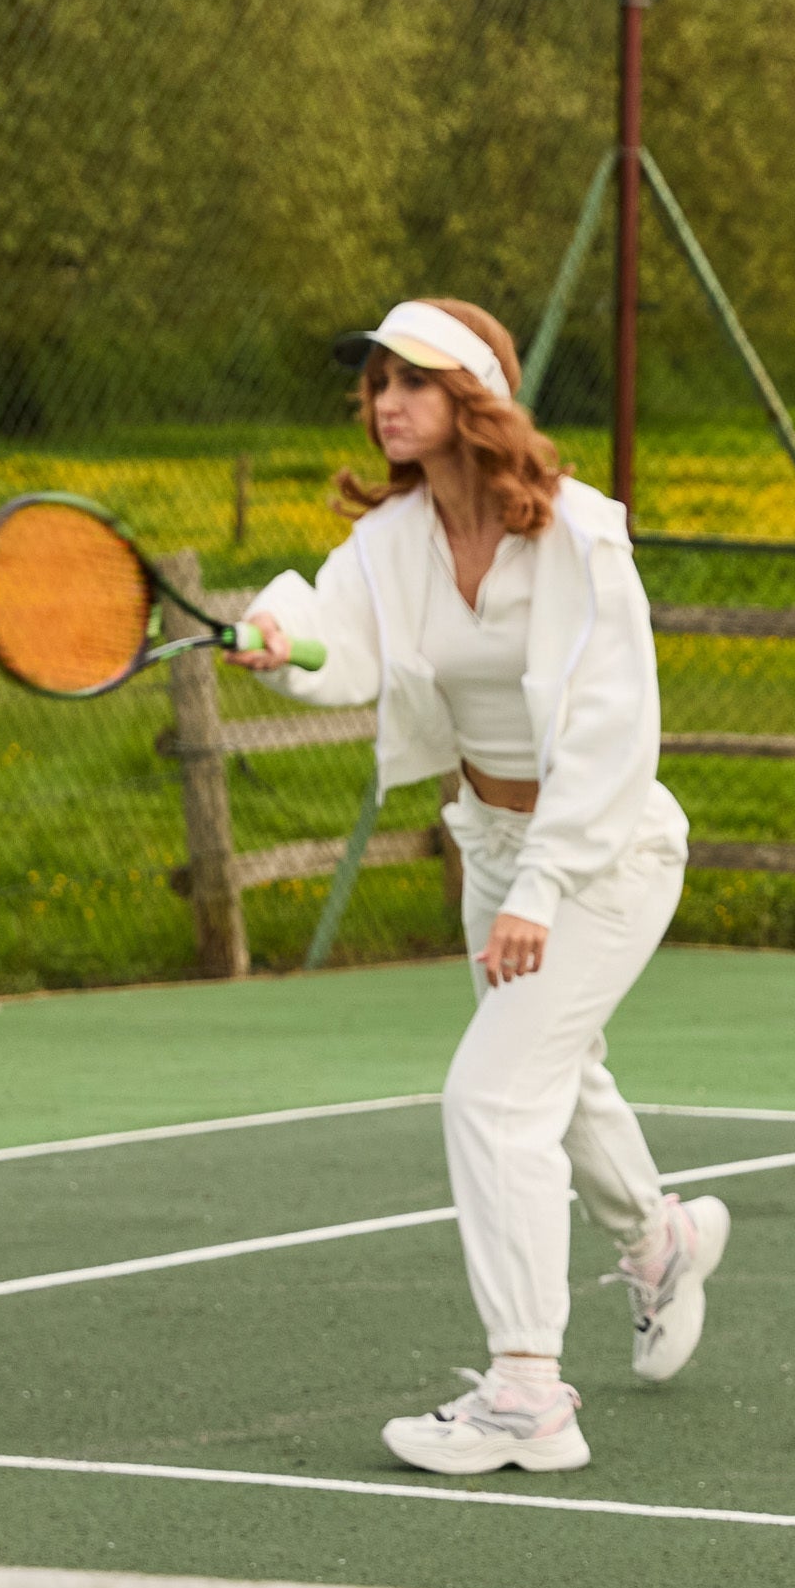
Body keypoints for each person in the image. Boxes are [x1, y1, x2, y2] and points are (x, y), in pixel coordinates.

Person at [238, 297, 723, 1476]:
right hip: (491, 845)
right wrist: (279, 633)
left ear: (473, 397)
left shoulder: (577, 535)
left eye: (411, 379)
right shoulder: (391, 542)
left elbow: (613, 733)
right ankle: (657, 1240)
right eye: (374, 381)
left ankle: (525, 1394)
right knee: (556, 1072)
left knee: (493, 1097)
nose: (384, 399)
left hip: (604, 854)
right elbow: (342, 642)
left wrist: (540, 888)